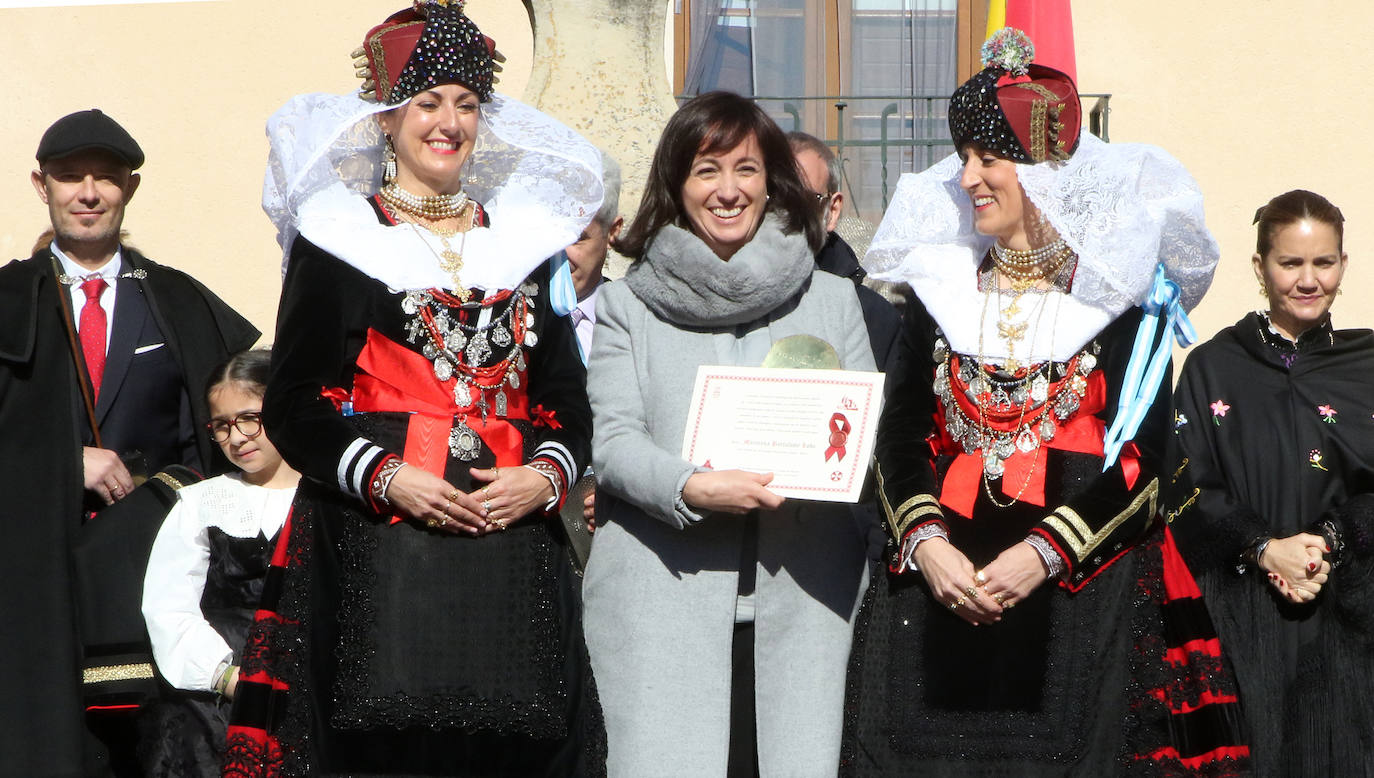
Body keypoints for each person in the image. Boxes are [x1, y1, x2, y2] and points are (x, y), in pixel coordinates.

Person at [842, 30, 1238, 775]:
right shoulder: (943, 288)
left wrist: (1040, 554)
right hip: (936, 589)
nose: (966, 179)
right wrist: (927, 547)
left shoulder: (1119, 299)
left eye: (987, 160)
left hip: (1078, 594)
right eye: (963, 159)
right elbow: (898, 436)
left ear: (1043, 171)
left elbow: (1143, 463)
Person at [221, 2, 603, 774]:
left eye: (466, 104)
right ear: (389, 119)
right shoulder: (338, 240)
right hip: (375, 541)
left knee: (514, 738)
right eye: (429, 103)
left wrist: (545, 477)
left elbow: (565, 395)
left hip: (510, 542)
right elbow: (294, 402)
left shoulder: (526, 245)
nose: (449, 123)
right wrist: (387, 475)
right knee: (378, 742)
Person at [584, 90, 875, 776]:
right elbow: (614, 439)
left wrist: (835, 458)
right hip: (661, 597)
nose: (728, 190)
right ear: (676, 186)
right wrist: (690, 485)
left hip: (807, 600)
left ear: (770, 180)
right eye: (706, 170)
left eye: (745, 169)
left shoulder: (833, 300)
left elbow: (868, 432)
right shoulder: (627, 305)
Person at [0, 109, 257, 776]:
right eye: (69, 177)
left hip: (149, 579)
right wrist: (64, 463)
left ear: (129, 189)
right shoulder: (2, 298)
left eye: (105, 179)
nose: (88, 192)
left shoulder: (178, 302)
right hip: (30, 585)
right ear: (41, 185)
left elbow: (220, 447)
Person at [1168, 190, 1374, 776]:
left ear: (1343, 265)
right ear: (1260, 268)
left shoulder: (1367, 366)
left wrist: (1329, 540)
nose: (1309, 280)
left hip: (1346, 622)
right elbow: (1184, 484)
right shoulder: (1213, 367)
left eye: (1324, 262)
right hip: (1239, 620)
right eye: (1291, 263)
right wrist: (1265, 548)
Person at [141, 349, 299, 773]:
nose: (238, 436)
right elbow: (168, 605)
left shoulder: (328, 498)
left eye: (250, 417)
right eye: (222, 426)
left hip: (309, 688)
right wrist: (226, 677)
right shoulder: (201, 503)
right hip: (218, 700)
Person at [787, 131, 902, 371]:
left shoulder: (875, 317)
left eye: (805, 200)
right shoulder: (730, 305)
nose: (786, 212)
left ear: (833, 210)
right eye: (772, 196)